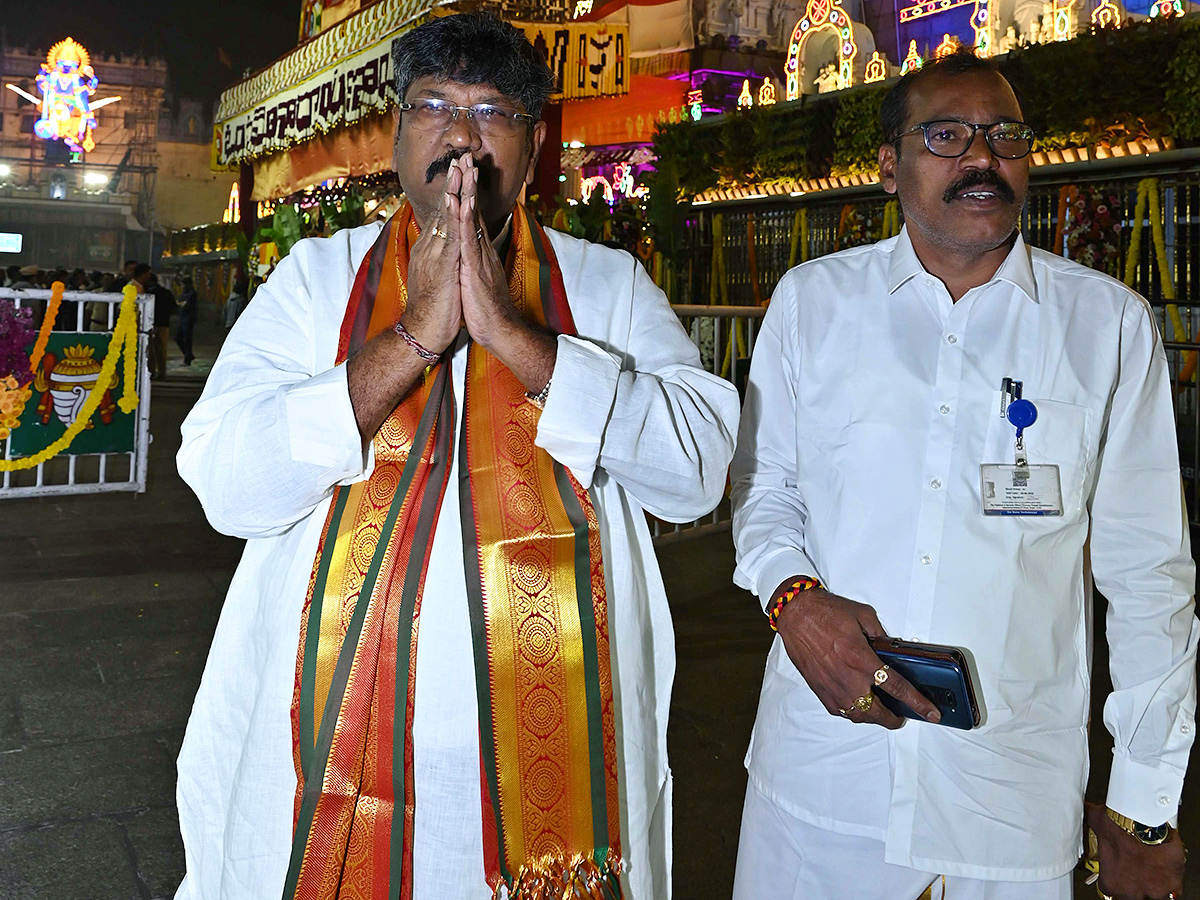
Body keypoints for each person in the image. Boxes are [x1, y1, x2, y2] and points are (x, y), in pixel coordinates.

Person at [175, 13, 739, 900]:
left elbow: (699, 468)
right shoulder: (317, 280)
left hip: (561, 773)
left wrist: (519, 341)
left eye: (493, 110)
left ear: (535, 141)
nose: (462, 136)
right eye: (434, 105)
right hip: (320, 755)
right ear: (398, 132)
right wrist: (410, 340)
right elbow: (223, 484)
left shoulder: (606, 286)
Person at [730, 49, 1194, 900]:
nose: (981, 157)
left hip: (1008, 805)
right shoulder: (814, 303)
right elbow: (765, 492)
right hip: (825, 789)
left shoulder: (1107, 328)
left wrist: (1143, 806)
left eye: (1003, 135)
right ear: (887, 165)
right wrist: (791, 600)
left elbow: (1148, 578)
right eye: (946, 135)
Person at [144, 272, 175, 378]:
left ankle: (151, 372)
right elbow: (173, 308)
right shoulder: (166, 292)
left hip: (149, 324)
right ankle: (162, 372)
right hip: (163, 324)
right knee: (161, 349)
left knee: (151, 349)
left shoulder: (146, 293)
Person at [174, 276, 197, 365]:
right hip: (182, 317)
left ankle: (187, 359)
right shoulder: (184, 293)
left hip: (189, 318)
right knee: (178, 337)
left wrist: (179, 303)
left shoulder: (192, 293)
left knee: (187, 339)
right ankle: (188, 355)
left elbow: (184, 304)